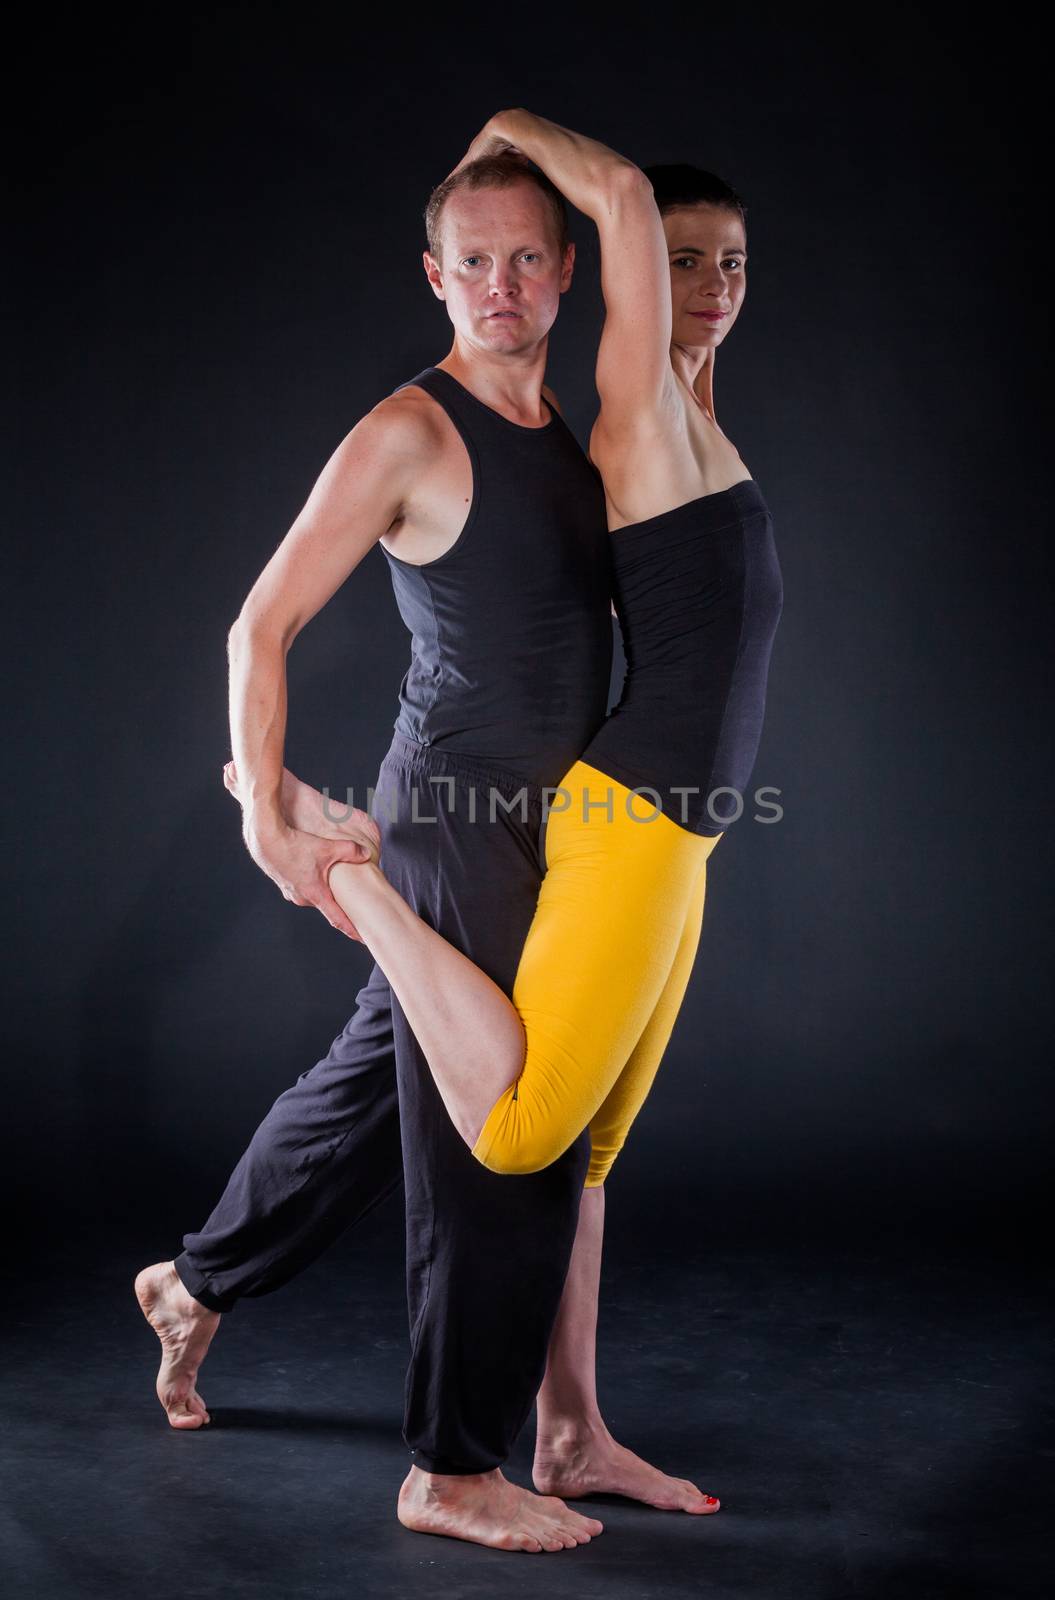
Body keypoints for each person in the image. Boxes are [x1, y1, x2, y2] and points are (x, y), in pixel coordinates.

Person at [136, 143, 716, 1559]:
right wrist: (264, 808)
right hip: (452, 817)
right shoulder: (410, 428)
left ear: (565, 271)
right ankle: (450, 1467)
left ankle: (195, 1279)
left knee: (374, 1082)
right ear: (434, 274)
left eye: (527, 257)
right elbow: (256, 624)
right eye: (474, 261)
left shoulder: (564, 434)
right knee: (495, 1132)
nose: (501, 285)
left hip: (552, 823)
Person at [308, 101, 783, 1391]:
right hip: (630, 816)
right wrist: (505, 128)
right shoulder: (635, 404)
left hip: (677, 829)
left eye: (731, 260)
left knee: (588, 1156)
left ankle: (572, 1429)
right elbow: (620, 194)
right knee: (519, 1135)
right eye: (677, 259)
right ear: (621, 269)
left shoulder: (690, 411)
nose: (708, 287)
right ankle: (347, 880)